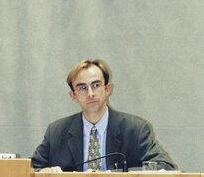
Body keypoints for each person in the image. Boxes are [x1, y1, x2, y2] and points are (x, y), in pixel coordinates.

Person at [32, 59, 176, 171]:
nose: (90, 93)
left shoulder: (135, 129)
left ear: (107, 88)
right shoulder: (56, 132)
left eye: (96, 85)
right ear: (73, 96)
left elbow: (164, 166)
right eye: (82, 88)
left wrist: (111, 176)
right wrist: (44, 172)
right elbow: (30, 170)